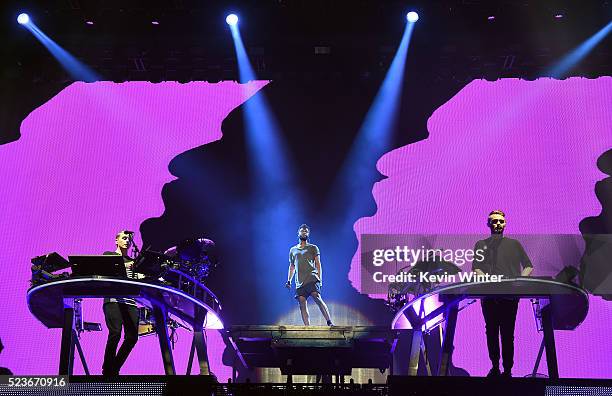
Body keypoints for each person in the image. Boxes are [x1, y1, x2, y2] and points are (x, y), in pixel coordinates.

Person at [472, 210, 533, 378]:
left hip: (509, 296)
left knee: (507, 333)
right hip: (489, 297)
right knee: (491, 331)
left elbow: (528, 265)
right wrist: (488, 282)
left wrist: (519, 280)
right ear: (488, 224)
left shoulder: (515, 244)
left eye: (500, 221)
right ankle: (495, 366)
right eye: (494, 221)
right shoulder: (481, 244)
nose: (497, 224)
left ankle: (507, 370)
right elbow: (476, 267)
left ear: (505, 224)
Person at [101, 230, 142, 376]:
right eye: (124, 238)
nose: (127, 241)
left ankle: (114, 367)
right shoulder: (109, 255)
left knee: (132, 337)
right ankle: (107, 370)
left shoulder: (134, 262)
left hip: (130, 302)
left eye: (129, 239)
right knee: (115, 333)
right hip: (113, 300)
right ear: (116, 241)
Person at [286, 224, 333, 326]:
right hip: (299, 282)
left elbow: (318, 264)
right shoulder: (293, 250)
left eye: (306, 231)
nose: (304, 232)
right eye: (302, 231)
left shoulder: (313, 248)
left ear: (308, 234)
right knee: (302, 304)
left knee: (317, 297)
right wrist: (289, 280)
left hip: (312, 278)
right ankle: (307, 328)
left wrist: (320, 279)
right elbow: (292, 267)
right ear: (298, 233)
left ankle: (329, 322)